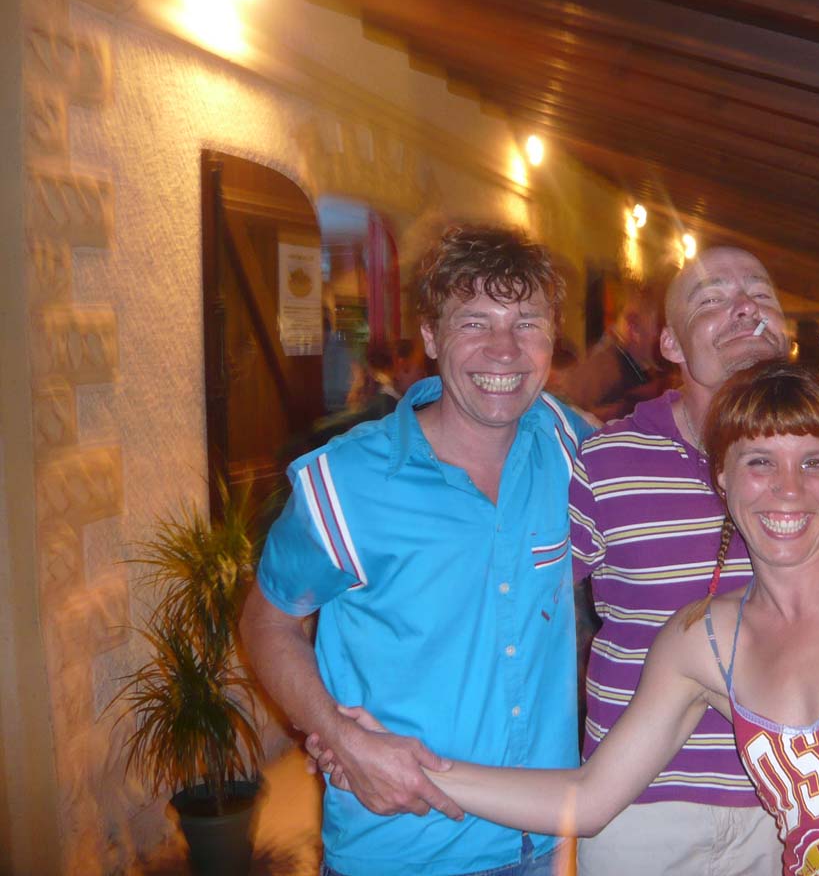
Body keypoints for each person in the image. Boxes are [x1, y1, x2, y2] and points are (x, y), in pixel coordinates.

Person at [319, 362, 819, 876]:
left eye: (813, 462)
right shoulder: (701, 642)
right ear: (721, 478)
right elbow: (589, 798)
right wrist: (412, 767)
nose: (787, 490)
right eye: (759, 462)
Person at [240, 224, 594, 876]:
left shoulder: (572, 449)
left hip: (542, 841)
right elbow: (267, 623)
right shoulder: (347, 482)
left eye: (527, 323)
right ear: (430, 336)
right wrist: (340, 738)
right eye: (474, 323)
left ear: (552, 340)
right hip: (401, 845)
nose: (504, 350)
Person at [571, 246, 789, 875]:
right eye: (712, 298)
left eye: (760, 293)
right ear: (670, 344)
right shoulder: (606, 460)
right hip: (640, 805)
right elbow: (532, 616)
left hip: (787, 804)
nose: (744, 307)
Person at [564, 282, 666, 421]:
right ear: (634, 327)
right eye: (660, 326)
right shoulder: (605, 370)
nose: (666, 336)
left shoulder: (647, 372)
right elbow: (574, 419)